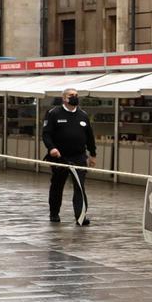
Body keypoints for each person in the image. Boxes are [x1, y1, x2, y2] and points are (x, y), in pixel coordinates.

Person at [42, 88, 97, 226]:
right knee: (57, 185)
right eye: (71, 95)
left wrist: (93, 154)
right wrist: (51, 148)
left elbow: (90, 137)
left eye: (76, 95)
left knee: (79, 187)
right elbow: (46, 134)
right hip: (60, 157)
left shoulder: (83, 115)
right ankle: (54, 213)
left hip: (78, 157)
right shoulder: (53, 113)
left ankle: (81, 216)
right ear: (64, 98)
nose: (75, 97)